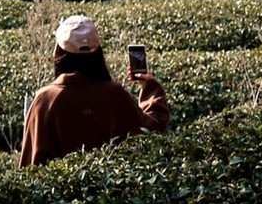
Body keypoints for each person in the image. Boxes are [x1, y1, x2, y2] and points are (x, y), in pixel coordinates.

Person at [20, 13, 168, 166]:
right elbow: (150, 129)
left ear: (59, 53)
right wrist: (150, 87)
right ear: (97, 53)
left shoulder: (44, 100)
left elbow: (31, 165)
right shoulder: (115, 95)